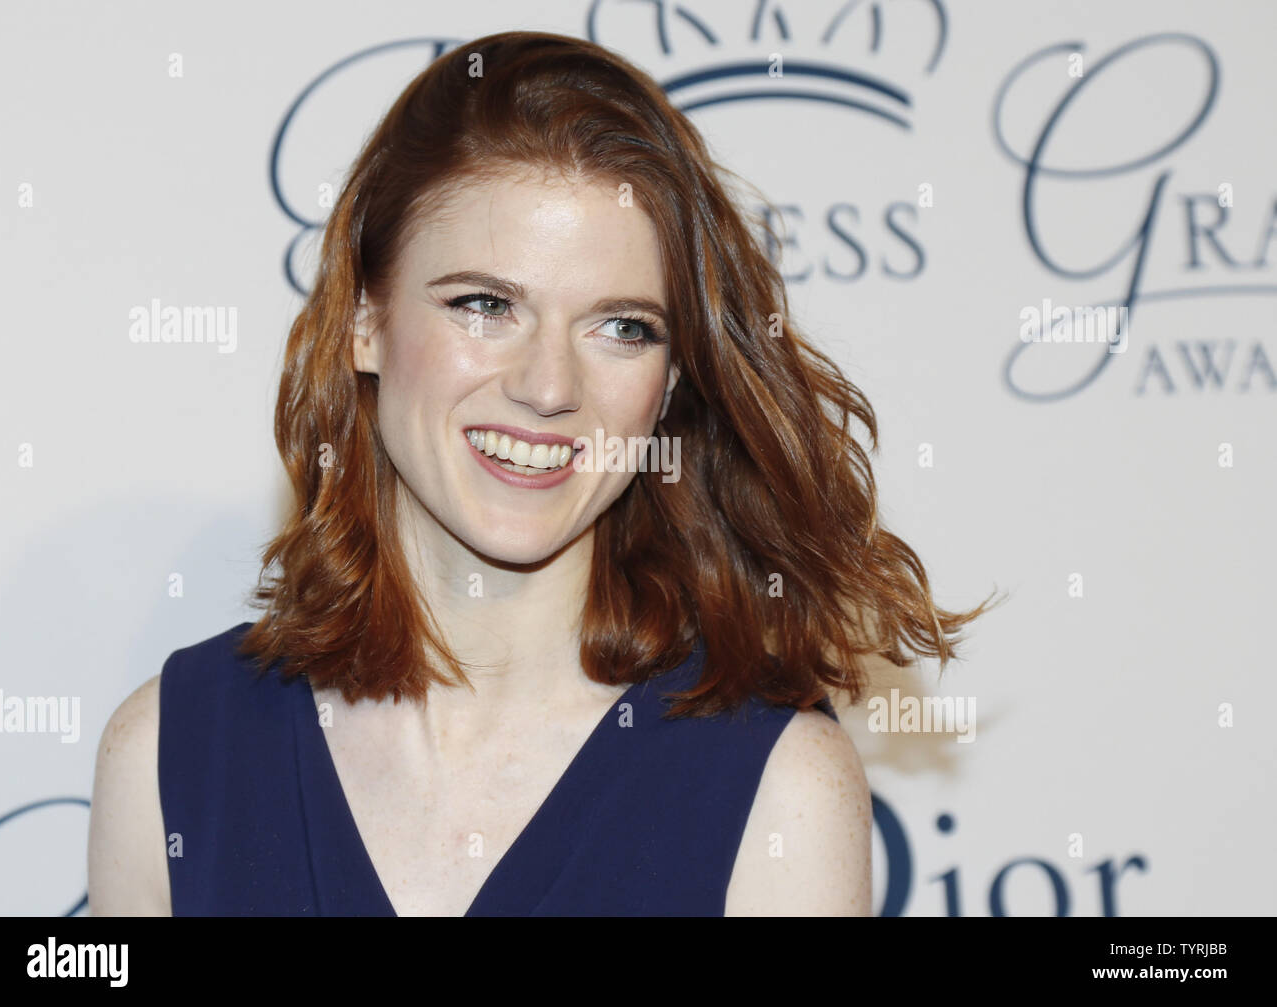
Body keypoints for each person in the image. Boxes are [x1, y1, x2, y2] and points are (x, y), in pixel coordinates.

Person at [87, 30, 993, 916]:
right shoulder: (171, 754)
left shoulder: (777, 788)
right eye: (485, 304)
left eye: (621, 326)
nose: (549, 387)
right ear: (363, 318)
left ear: (674, 375)